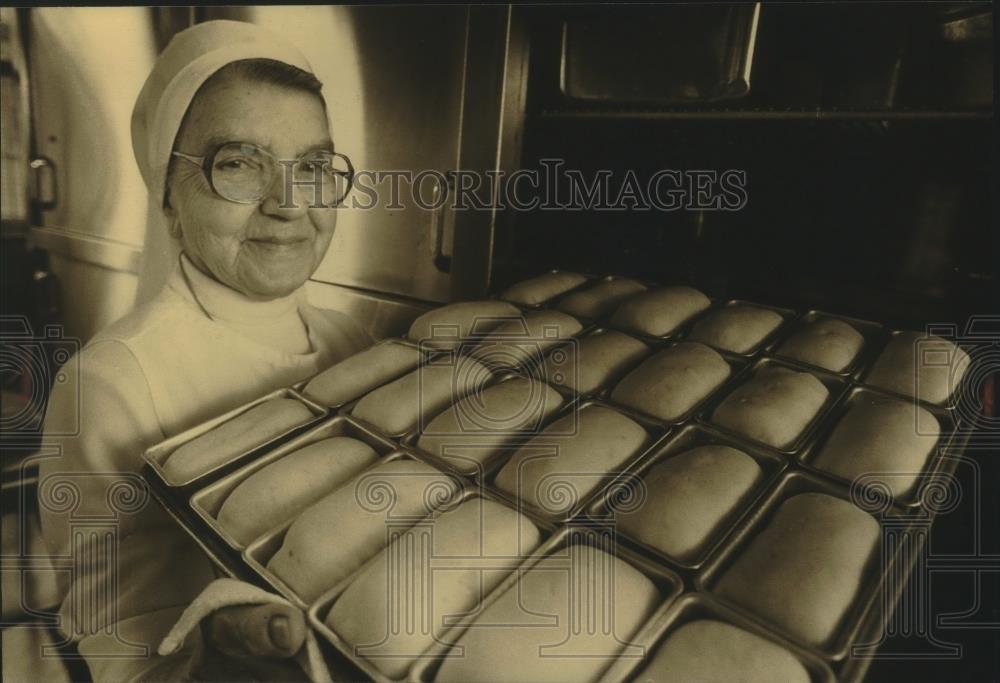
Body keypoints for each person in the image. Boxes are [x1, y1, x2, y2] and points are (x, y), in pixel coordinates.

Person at [38, 20, 371, 681]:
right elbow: (120, 642)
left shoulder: (352, 341)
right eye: (240, 165)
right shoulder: (112, 382)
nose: (287, 205)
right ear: (169, 197)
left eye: (310, 167)